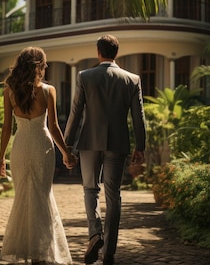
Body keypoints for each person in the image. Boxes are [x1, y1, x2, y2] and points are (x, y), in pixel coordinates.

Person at [64, 35, 146, 265]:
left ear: (98, 52)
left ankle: (95, 234)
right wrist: (140, 146)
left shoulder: (85, 76)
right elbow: (138, 117)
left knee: (90, 189)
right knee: (113, 195)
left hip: (89, 142)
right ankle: (109, 251)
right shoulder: (132, 79)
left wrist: (66, 144)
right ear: (116, 53)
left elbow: (75, 112)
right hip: (118, 144)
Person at [0, 47, 77, 265]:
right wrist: (66, 153)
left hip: (21, 147)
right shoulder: (48, 91)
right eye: (45, 63)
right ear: (39, 66)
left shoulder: (9, 91)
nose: (47, 66)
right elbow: (53, 127)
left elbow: (6, 128)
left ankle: (28, 251)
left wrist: (1, 158)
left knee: (23, 198)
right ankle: (41, 252)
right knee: (41, 196)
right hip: (42, 146)